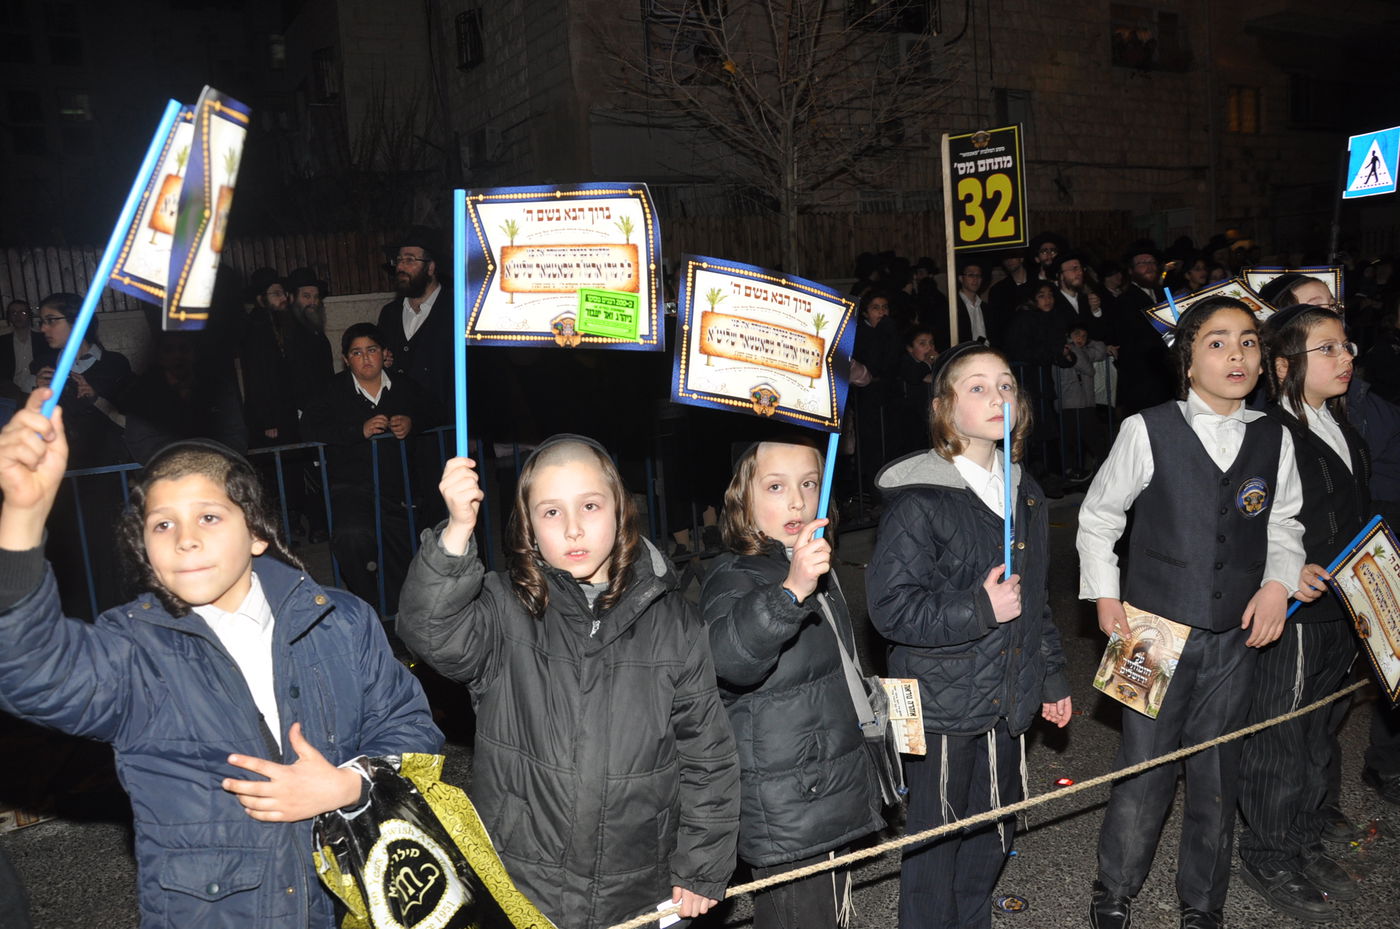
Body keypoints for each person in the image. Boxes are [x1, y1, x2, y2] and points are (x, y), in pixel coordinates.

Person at [0, 394, 442, 928]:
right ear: (142, 545)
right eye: (162, 525)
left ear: (257, 533)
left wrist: (348, 785)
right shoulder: (134, 650)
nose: (186, 540)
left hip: (344, 907)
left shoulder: (339, 620)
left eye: (209, 517)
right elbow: (31, 672)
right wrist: (21, 519)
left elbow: (410, 727)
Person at [396, 436, 740, 929]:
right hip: (525, 878)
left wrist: (702, 866)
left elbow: (708, 756)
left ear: (621, 510)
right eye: (551, 513)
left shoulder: (674, 625)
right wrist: (456, 531)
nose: (574, 528)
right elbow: (428, 629)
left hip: (640, 880)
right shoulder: (503, 609)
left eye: (590, 506)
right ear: (530, 529)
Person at [1078, 296, 1306, 929]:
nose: (1236, 354)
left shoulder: (1275, 436)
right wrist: (1104, 594)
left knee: (1215, 770)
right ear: (1187, 359)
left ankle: (1203, 901)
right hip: (1147, 630)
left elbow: (1284, 523)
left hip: (1234, 634)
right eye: (1217, 342)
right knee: (1142, 768)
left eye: (1248, 342)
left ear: (1263, 359)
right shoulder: (1145, 429)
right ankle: (1115, 888)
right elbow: (1099, 518)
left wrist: (1276, 586)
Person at [867, 342, 1072, 929]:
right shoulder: (921, 502)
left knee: (994, 828)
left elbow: (1035, 605)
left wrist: (1052, 676)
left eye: (1006, 385)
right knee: (937, 842)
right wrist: (979, 607)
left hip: (1006, 697)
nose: (996, 396)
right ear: (944, 407)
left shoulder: (1024, 491)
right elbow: (889, 611)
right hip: (941, 706)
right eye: (977, 387)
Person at [700, 438, 884, 929]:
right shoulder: (733, 575)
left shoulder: (808, 562)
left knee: (824, 910)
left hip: (823, 779)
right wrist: (791, 592)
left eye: (809, 484)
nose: (798, 501)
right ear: (743, 500)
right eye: (776, 487)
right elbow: (732, 659)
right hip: (784, 797)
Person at [1235, 305, 1369, 921]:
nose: (1346, 358)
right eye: (1329, 349)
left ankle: (1303, 835)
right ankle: (1267, 850)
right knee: (1278, 737)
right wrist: (1288, 568)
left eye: (1347, 347)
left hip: (1342, 608)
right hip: (1293, 611)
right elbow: (1244, 521)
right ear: (1285, 365)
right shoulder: (1268, 431)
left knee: (1318, 731)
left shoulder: (1333, 419)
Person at [301, 323, 432, 616]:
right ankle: (369, 605)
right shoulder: (333, 390)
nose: (366, 358)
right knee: (351, 538)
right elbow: (309, 426)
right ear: (346, 359)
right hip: (351, 487)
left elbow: (434, 409)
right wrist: (355, 430)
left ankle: (401, 633)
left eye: (371, 350)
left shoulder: (403, 386)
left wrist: (413, 422)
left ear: (384, 353)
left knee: (401, 565)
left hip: (399, 490)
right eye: (357, 353)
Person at [29, 292, 130, 468]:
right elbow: (33, 426)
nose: (43, 329)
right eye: (42, 322)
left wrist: (96, 399)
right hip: (63, 467)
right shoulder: (42, 368)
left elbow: (129, 420)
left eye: (51, 320)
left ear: (77, 321)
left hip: (111, 465)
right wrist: (39, 396)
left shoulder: (114, 364)